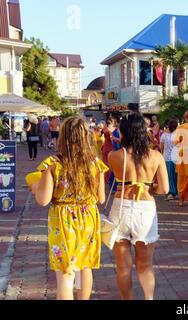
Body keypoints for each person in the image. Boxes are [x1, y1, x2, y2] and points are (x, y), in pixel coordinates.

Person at [31, 116, 108, 300]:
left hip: (63, 220)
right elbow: (101, 198)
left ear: (63, 137)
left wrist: (35, 187)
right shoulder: (95, 164)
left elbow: (43, 200)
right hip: (88, 216)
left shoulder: (54, 164)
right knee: (85, 267)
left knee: (66, 271)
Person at [108, 113, 169, 300]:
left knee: (123, 268)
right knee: (145, 265)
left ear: (124, 131)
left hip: (121, 208)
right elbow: (164, 189)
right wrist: (152, 186)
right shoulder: (156, 156)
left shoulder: (115, 156)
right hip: (145, 209)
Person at [160, 119, 179, 201]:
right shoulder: (177, 134)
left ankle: (171, 192)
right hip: (176, 157)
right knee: (176, 175)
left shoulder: (164, 135)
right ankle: (175, 192)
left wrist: (162, 154)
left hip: (167, 158)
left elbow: (161, 147)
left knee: (170, 176)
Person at [101, 117, 117, 182]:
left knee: (105, 163)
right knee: (110, 163)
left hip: (105, 147)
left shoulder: (105, 129)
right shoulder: (113, 130)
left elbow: (99, 134)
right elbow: (112, 139)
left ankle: (105, 177)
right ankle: (108, 178)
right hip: (111, 148)